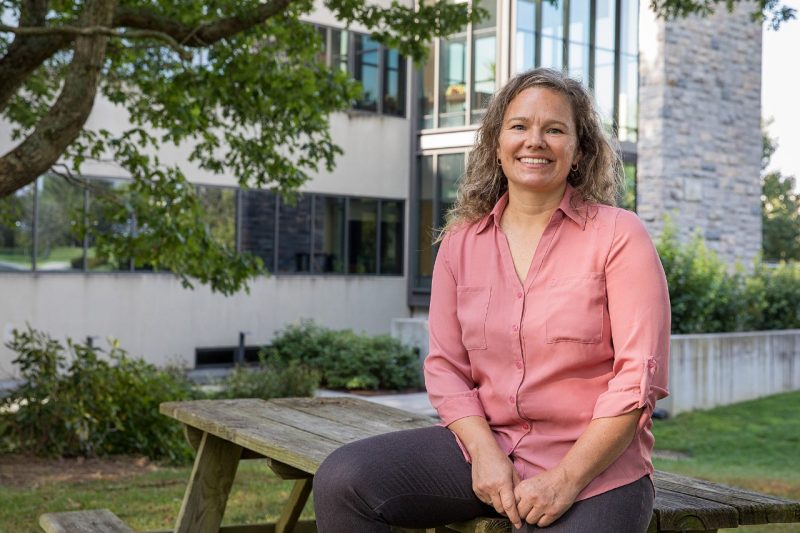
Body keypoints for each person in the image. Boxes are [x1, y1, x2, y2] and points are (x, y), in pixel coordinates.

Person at [313, 68, 671, 532]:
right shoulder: (462, 243)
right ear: (497, 142)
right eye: (519, 126)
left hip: (596, 472)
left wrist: (565, 479)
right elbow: (446, 368)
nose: (534, 141)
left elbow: (635, 381)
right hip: (487, 448)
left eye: (555, 129)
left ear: (580, 150)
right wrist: (484, 455)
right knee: (343, 480)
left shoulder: (620, 236)